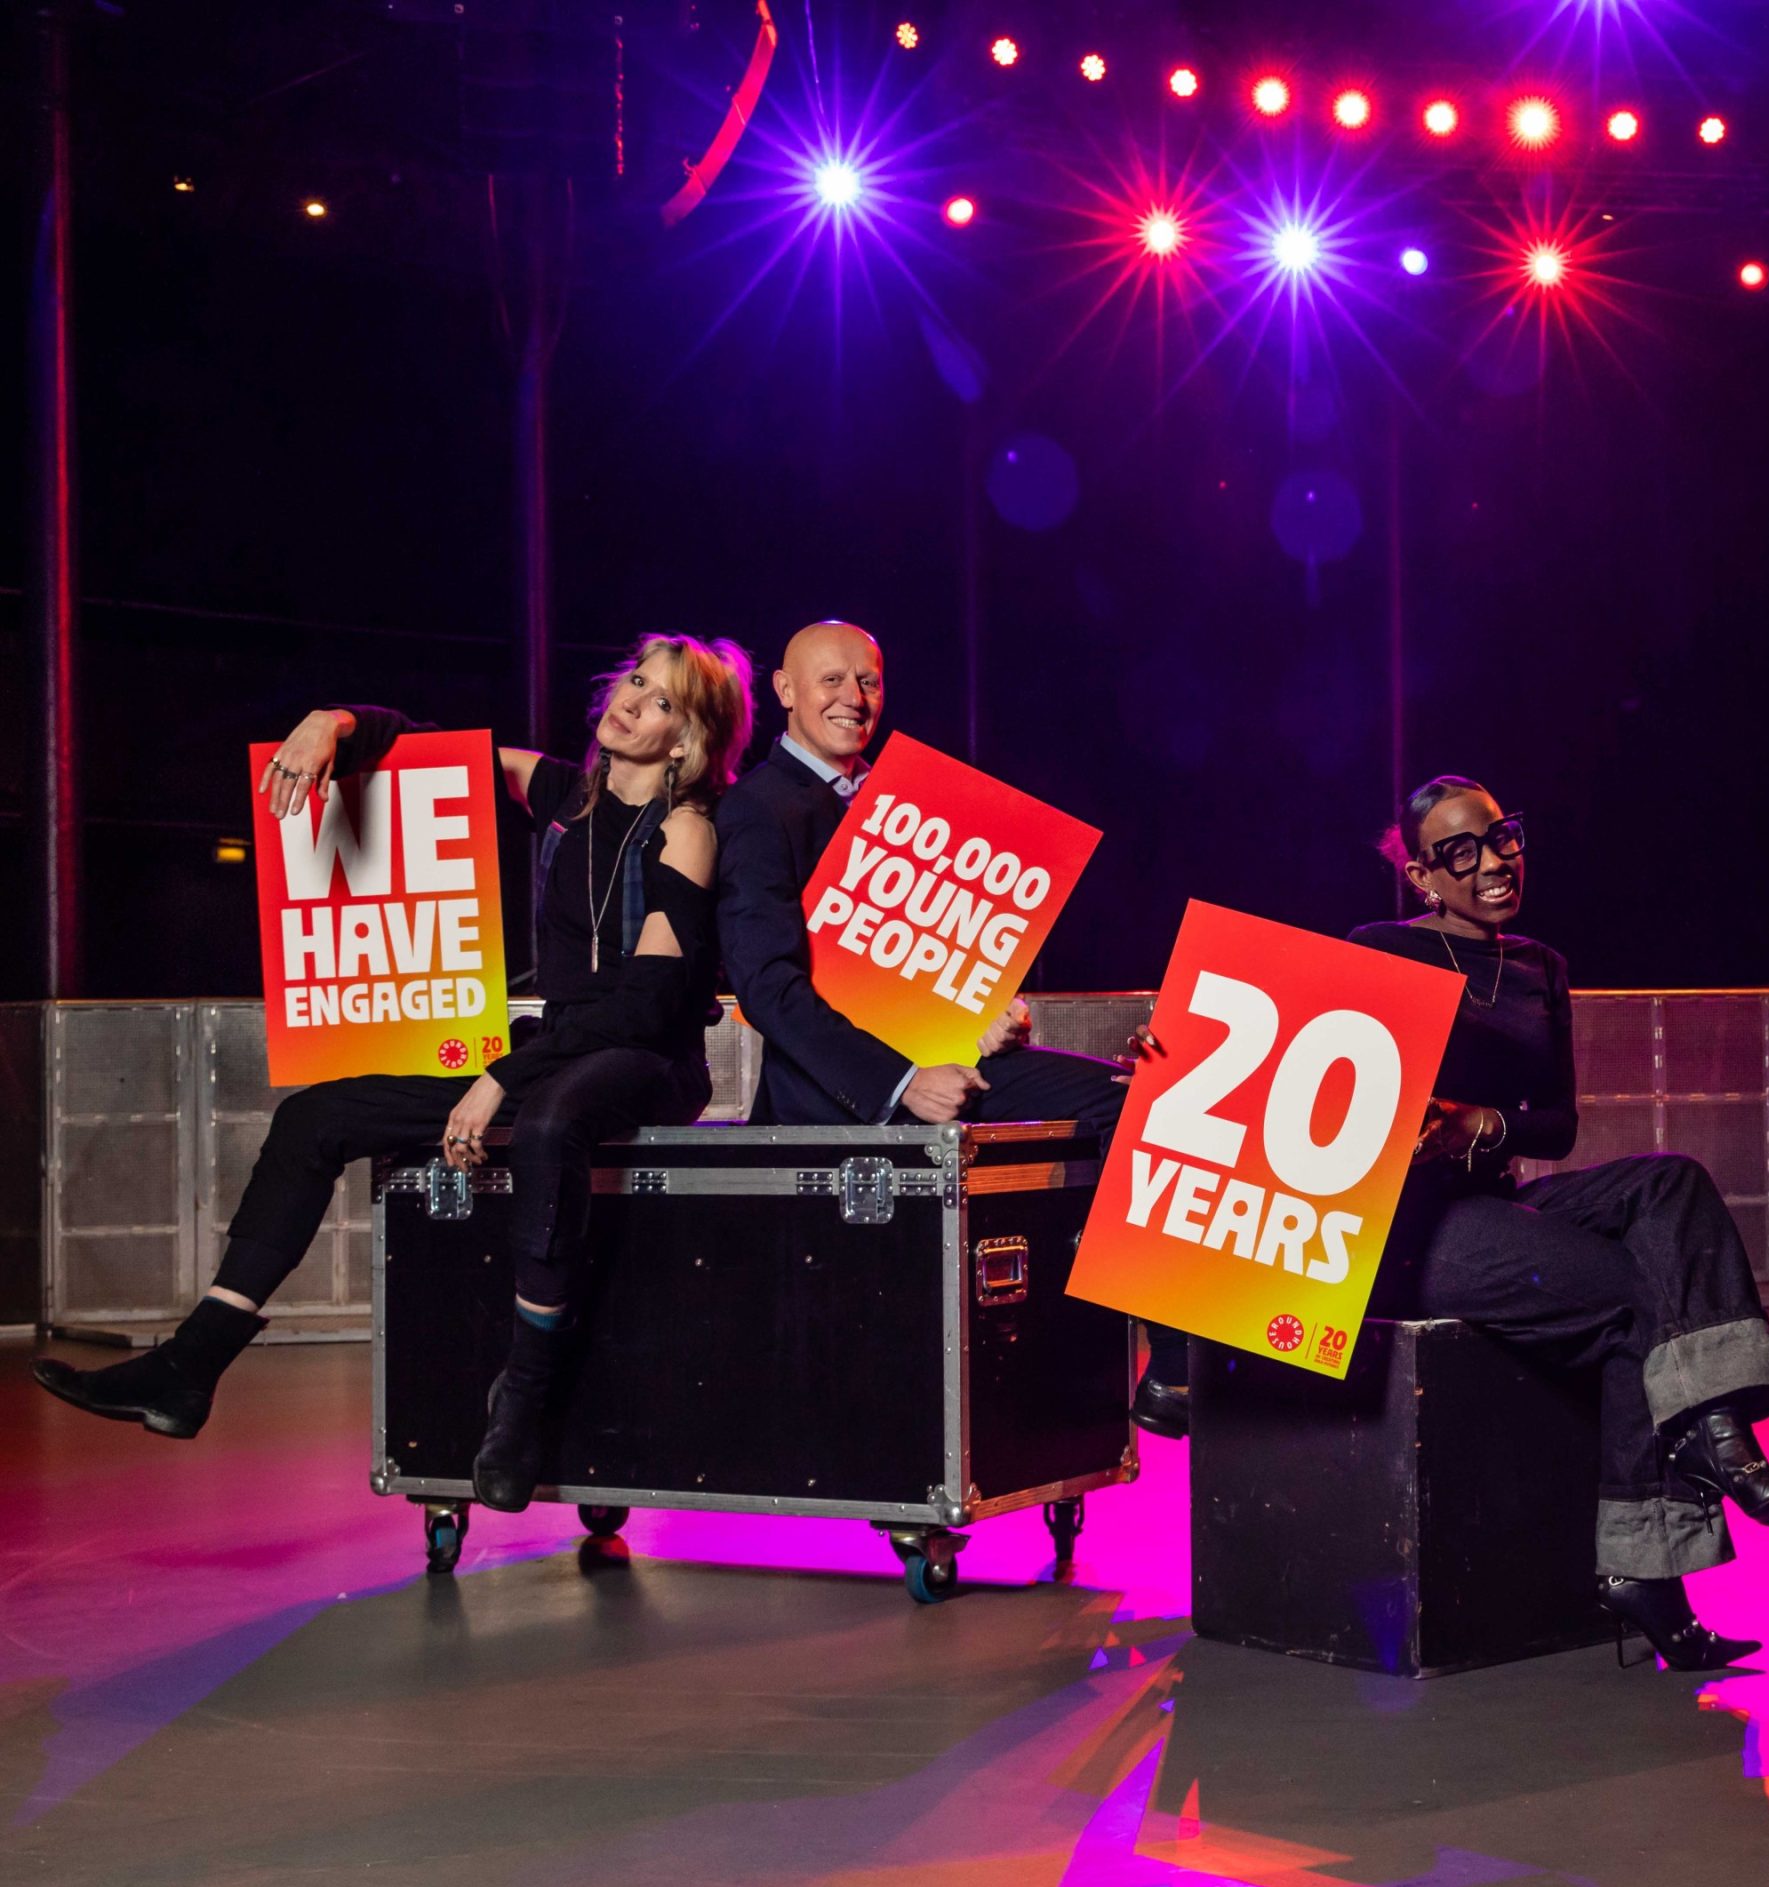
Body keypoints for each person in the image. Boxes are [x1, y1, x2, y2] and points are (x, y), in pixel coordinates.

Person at [34, 634, 755, 1512]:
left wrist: (501, 1076)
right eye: (635, 682)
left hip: (648, 1062)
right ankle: (190, 1365)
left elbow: (646, 1002)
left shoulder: (689, 831)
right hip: (554, 1057)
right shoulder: (560, 792)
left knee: (547, 1121)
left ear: (686, 742)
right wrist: (326, 723)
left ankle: (523, 1397)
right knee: (314, 1121)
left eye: (664, 701)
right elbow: (422, 745)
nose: (634, 701)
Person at [1349, 774, 1769, 1673]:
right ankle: (1657, 1553)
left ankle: (1723, 1438)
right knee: (1627, 1293)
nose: (1494, 862)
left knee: (1673, 1184)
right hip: (1404, 1227)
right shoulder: (1376, 951)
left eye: (1501, 837)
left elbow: (1557, 1126)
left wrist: (1483, 1123)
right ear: (1423, 876)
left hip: (1491, 1197)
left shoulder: (1541, 966)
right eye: (1461, 851)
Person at [713, 620, 1190, 1435]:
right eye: (829, 681)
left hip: (943, 1065)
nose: (852, 699)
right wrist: (902, 1082)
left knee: (1145, 1098)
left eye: (867, 681)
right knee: (1126, 1107)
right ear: (784, 693)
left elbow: (914, 968)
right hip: (839, 1096)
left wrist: (983, 1020)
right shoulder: (758, 810)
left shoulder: (902, 802)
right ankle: (1159, 1361)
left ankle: (1157, 1360)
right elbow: (769, 990)